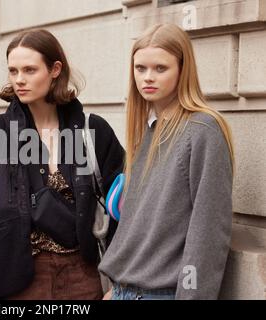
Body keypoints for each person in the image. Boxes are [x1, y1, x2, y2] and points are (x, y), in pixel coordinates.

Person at [0, 29, 125, 299]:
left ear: (55, 69)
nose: (19, 80)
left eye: (29, 70)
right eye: (13, 71)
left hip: (83, 277)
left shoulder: (92, 131)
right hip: (20, 280)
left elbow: (122, 211)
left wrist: (118, 283)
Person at [99, 23, 235, 300]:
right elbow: (138, 223)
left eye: (161, 68)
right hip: (124, 290)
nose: (148, 77)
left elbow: (208, 232)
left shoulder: (203, 130)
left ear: (182, 70)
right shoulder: (147, 130)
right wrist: (116, 288)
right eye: (140, 68)